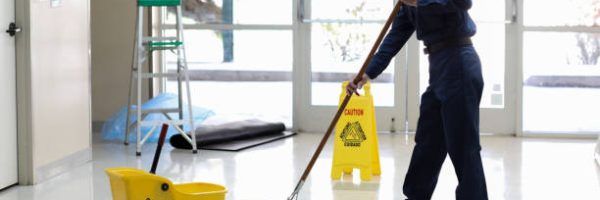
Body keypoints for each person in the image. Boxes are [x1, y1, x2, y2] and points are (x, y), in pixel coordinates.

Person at [346, 0, 488, 199]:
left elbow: (463, 2)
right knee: (428, 141)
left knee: (464, 147)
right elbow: (393, 39)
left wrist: (419, 2)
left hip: (460, 62)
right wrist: (366, 74)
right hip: (439, 67)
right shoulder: (406, 6)